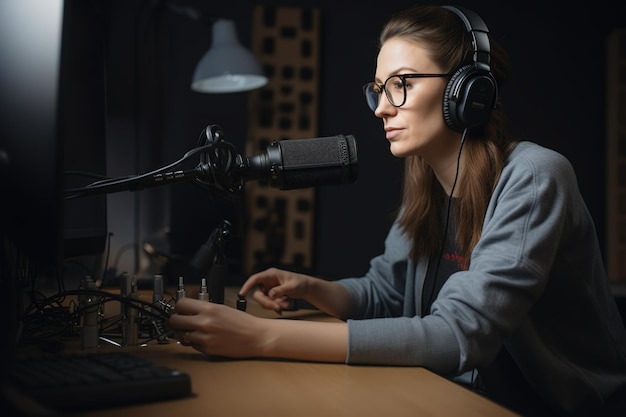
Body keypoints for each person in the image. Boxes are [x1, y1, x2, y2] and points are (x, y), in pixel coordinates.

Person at [167, 5, 626, 416]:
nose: (381, 109)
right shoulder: (426, 183)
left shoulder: (535, 175)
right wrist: (313, 288)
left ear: (467, 93)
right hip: (457, 398)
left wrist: (262, 338)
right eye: (379, 89)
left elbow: (457, 335)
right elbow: (385, 295)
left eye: (401, 85)